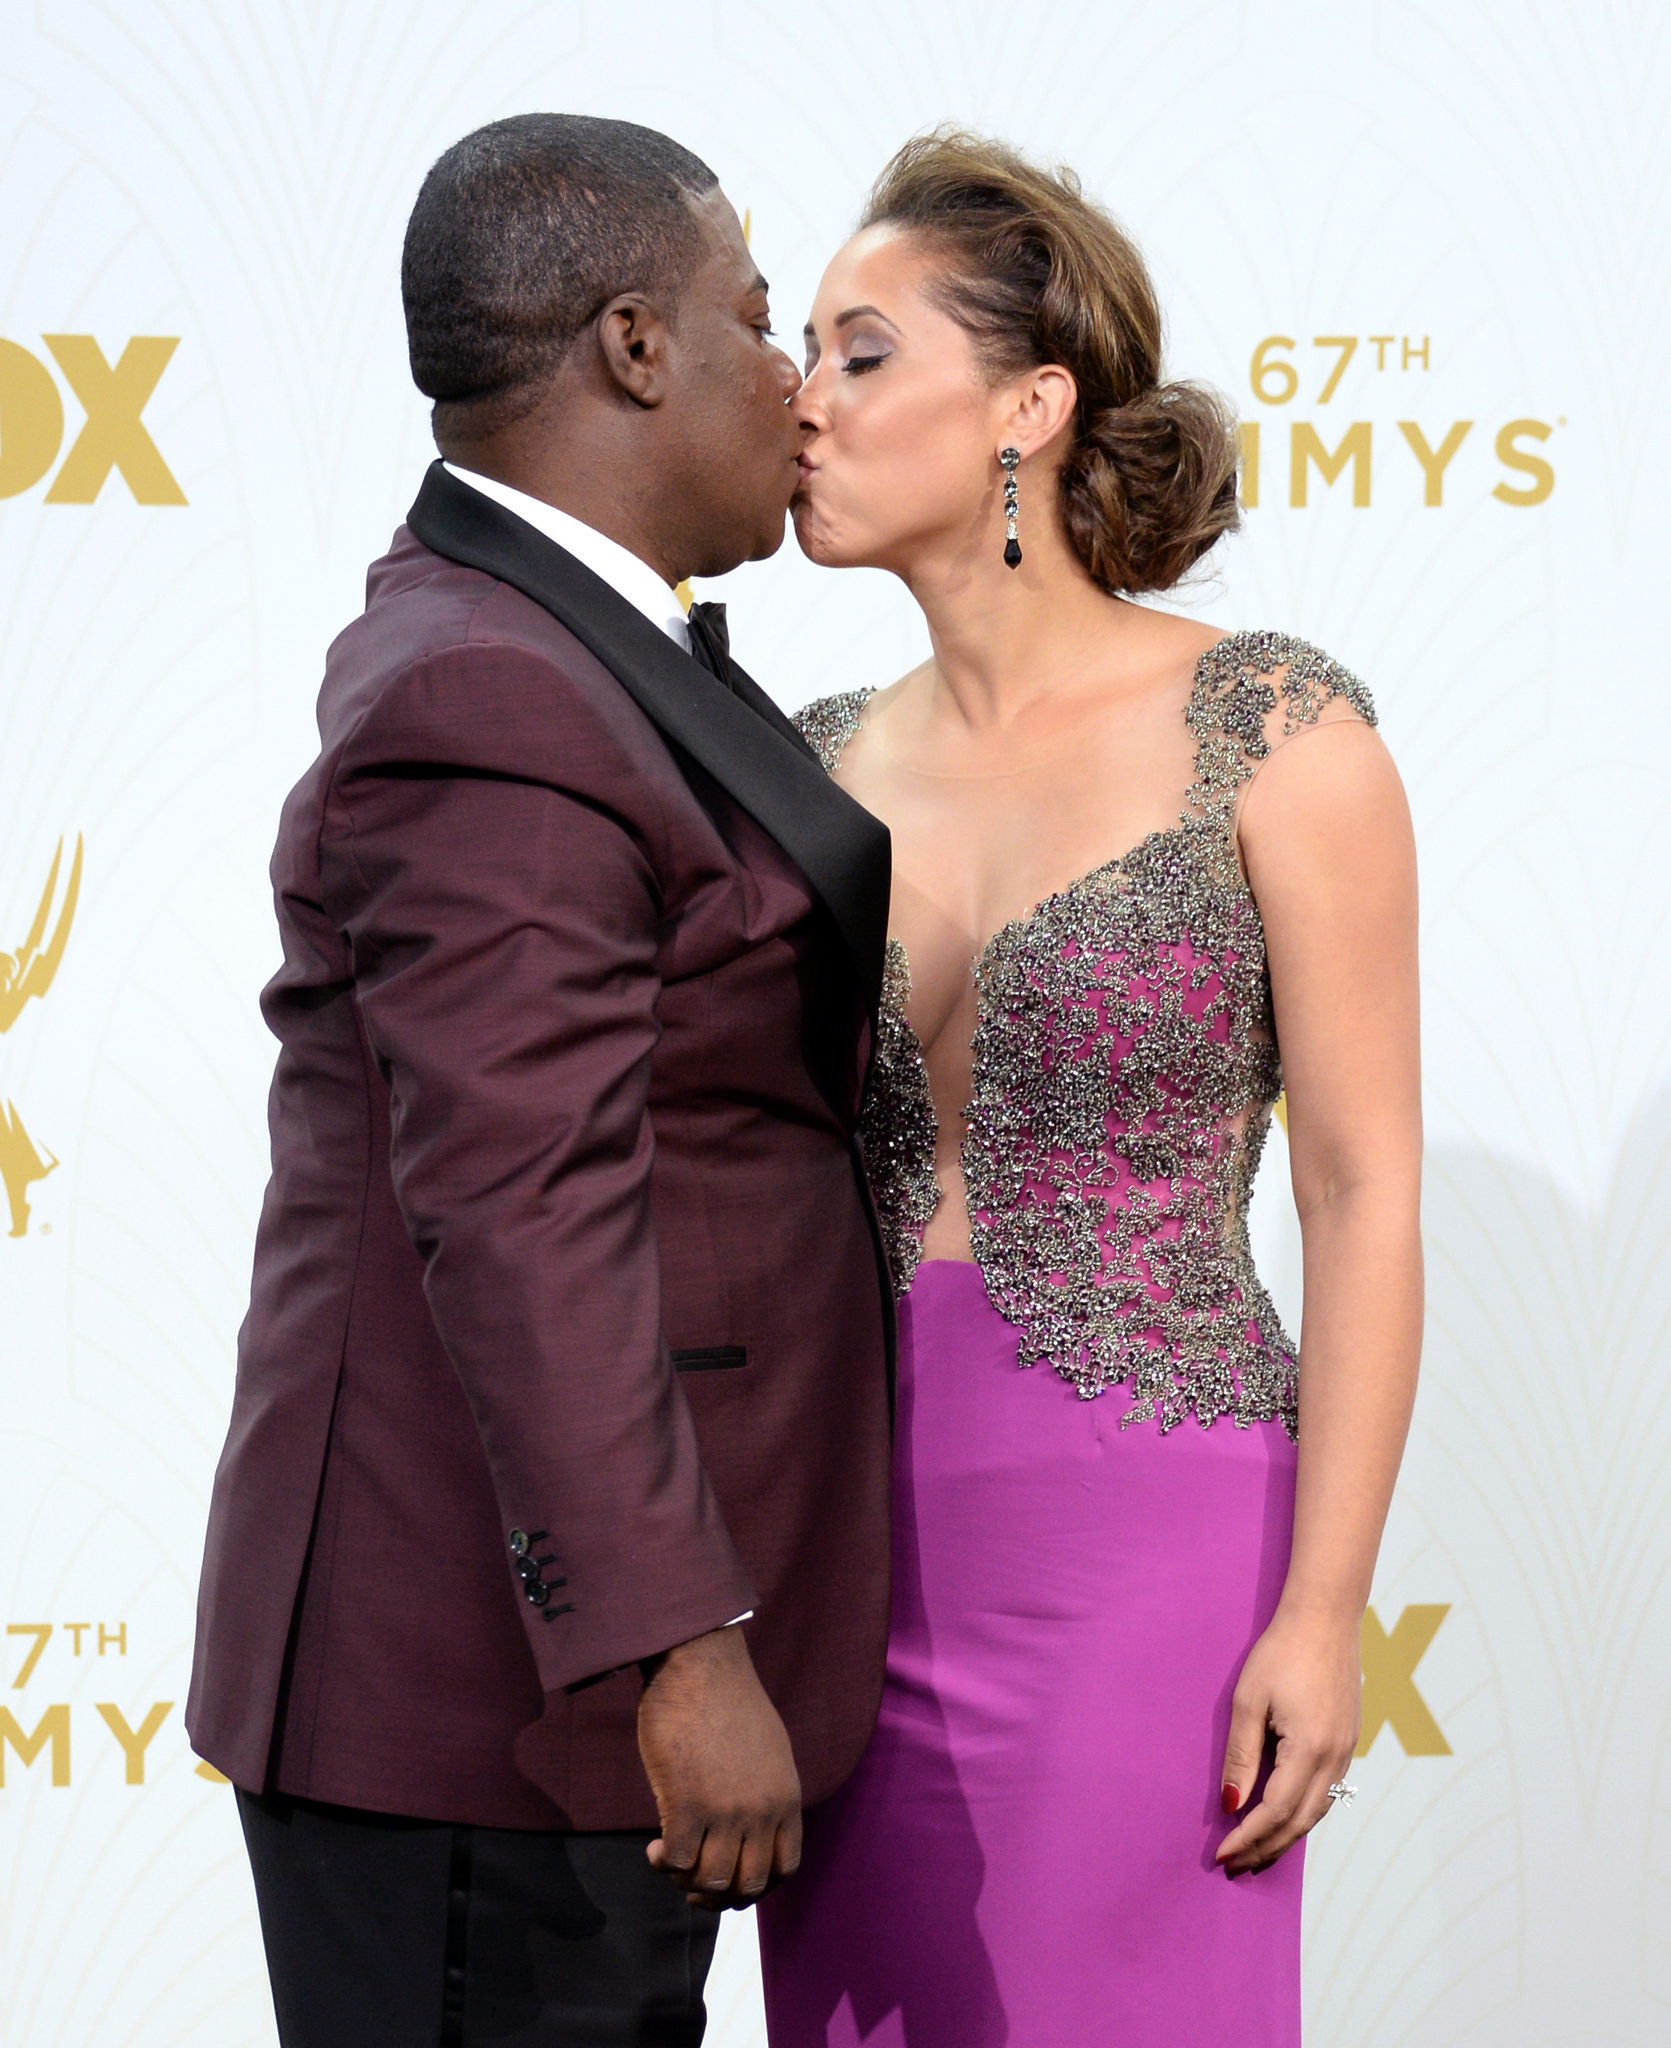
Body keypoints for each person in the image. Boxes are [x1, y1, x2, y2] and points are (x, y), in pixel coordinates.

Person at [186, 114, 895, 2048]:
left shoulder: (564, 649)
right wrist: (681, 1648)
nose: (794, 379)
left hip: (548, 1715)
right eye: (761, 318)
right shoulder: (492, 692)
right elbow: (526, 1213)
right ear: (634, 347)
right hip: (489, 1724)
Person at [758, 131, 1423, 2048]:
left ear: (1027, 408)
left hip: (1151, 1542)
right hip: (844, 1545)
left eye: (862, 351)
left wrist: (1325, 1611)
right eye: (802, 347)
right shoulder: (802, 771)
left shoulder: (1273, 728)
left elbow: (1366, 1196)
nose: (804, 400)